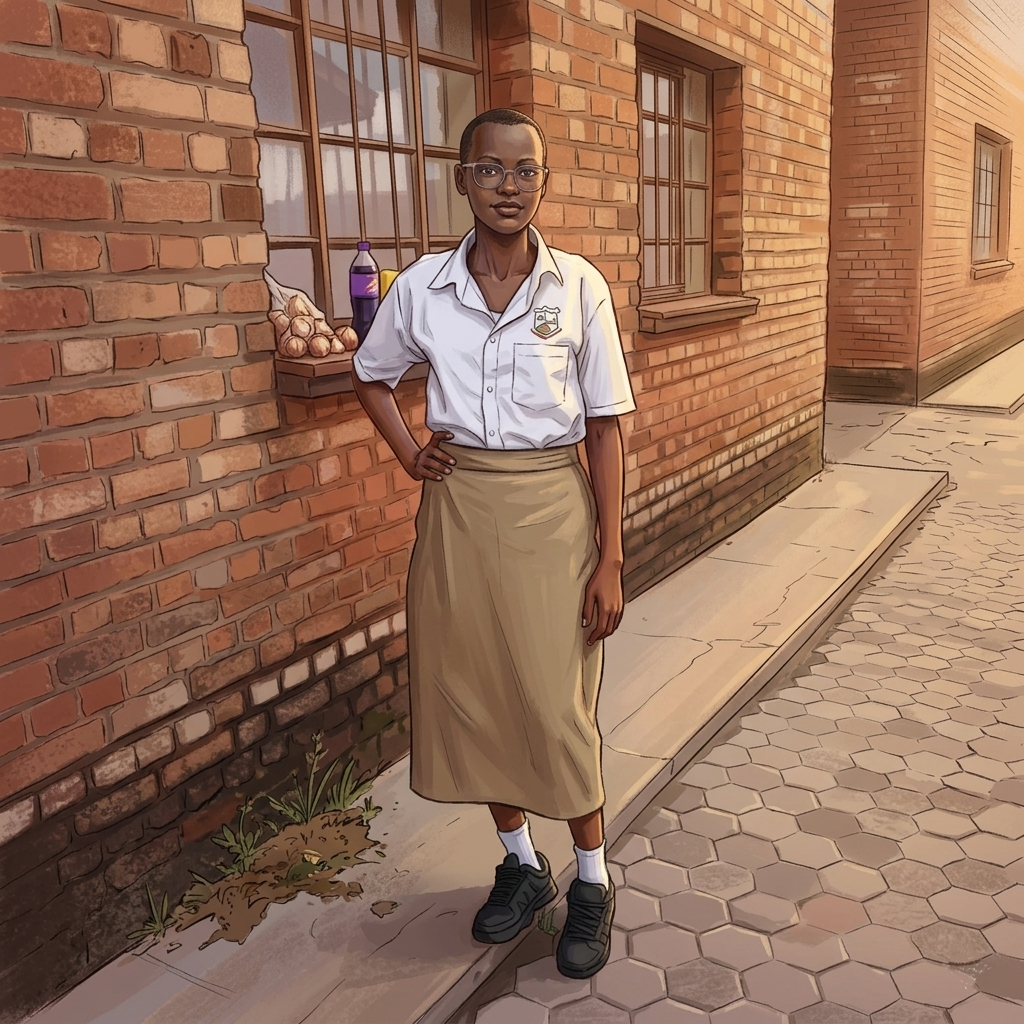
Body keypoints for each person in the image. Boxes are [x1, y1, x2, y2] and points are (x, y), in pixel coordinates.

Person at [350, 107, 636, 979]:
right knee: (476, 696)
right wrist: (408, 453)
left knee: (553, 704)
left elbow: (606, 425)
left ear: (543, 184)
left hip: (553, 512)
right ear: (463, 179)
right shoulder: (422, 289)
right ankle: (521, 866)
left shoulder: (578, 286)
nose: (508, 186)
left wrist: (612, 555)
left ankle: (592, 879)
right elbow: (370, 373)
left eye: (524, 171)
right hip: (459, 514)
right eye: (489, 170)